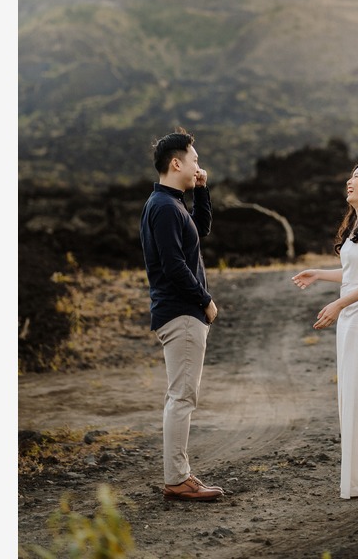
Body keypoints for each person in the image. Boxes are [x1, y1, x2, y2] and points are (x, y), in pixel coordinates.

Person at [292, 161, 358, 500]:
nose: (348, 181)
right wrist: (319, 274)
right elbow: (355, 273)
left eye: (356, 176)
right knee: (351, 397)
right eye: (350, 175)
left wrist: (339, 305)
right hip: (353, 318)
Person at [139, 129, 224, 502]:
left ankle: (178, 474)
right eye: (194, 160)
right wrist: (204, 300)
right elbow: (174, 265)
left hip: (180, 313)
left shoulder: (170, 204)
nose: (197, 166)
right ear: (176, 163)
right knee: (182, 398)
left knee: (181, 396)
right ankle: (177, 478)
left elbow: (199, 230)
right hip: (182, 313)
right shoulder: (162, 207)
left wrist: (202, 189)